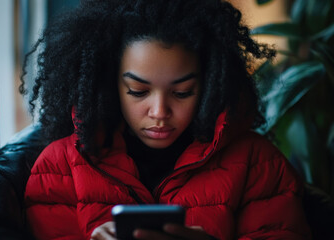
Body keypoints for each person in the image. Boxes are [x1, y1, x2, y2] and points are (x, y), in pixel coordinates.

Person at [22, 0, 311, 239]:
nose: (160, 112)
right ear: (110, 87)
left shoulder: (257, 163)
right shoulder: (59, 167)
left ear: (209, 86)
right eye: (138, 91)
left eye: (182, 92)